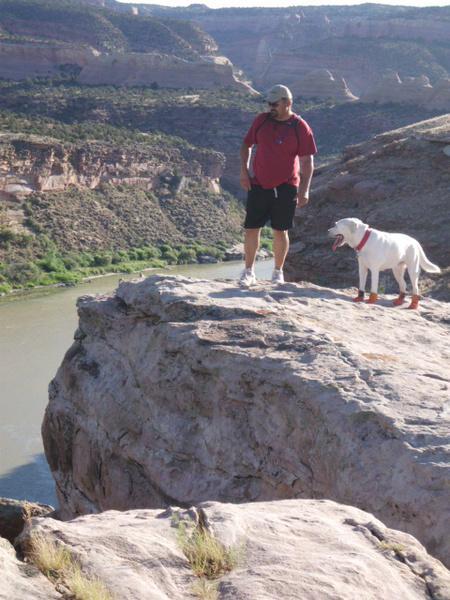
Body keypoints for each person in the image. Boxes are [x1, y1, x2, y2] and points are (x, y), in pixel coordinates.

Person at [239, 84, 317, 286]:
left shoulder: (300, 127)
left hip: (286, 186)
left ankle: (277, 272)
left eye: (274, 104)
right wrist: (244, 171)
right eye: (268, 103)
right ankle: (248, 272)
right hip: (259, 183)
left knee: (281, 230)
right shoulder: (261, 120)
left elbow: (307, 162)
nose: (270, 107)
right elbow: (246, 145)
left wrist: (304, 190)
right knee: (251, 228)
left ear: (288, 103)